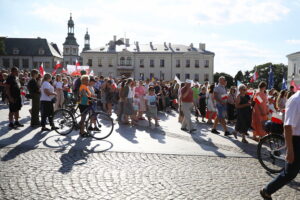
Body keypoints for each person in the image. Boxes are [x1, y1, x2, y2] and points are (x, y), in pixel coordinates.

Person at [260, 90, 300, 200]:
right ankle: (267, 190)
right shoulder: (295, 100)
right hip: (296, 140)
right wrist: (290, 150)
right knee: (290, 173)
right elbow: (287, 127)